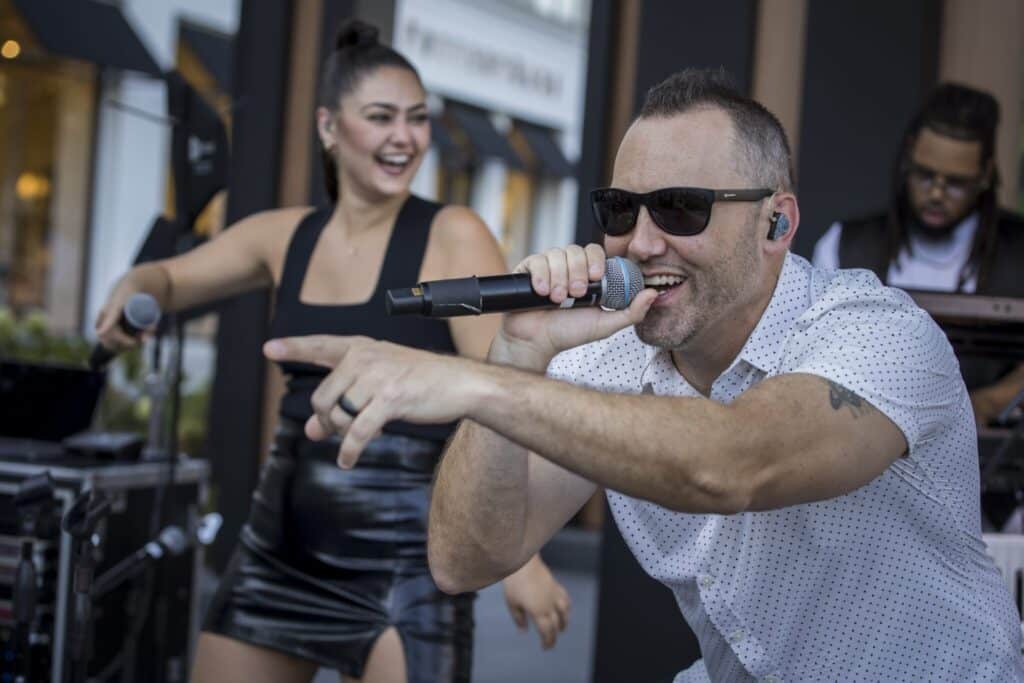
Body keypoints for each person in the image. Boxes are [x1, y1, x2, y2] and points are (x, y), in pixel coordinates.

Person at [266, 68, 1024, 681]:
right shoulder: (610, 354)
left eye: (682, 208)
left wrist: (477, 387)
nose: (642, 240)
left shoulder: (876, 329)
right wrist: (518, 349)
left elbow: (735, 462)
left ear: (778, 223)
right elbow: (466, 558)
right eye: (621, 209)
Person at [95, 20, 569, 683]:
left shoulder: (454, 235)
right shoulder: (283, 236)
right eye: (380, 117)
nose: (404, 137)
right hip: (278, 552)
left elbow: (502, 397)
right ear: (328, 126)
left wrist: (519, 557)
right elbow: (171, 278)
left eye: (417, 119)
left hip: (409, 562)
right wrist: (136, 285)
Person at [811, 83, 1024, 428]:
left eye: (956, 183)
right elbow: (818, 356)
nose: (937, 193)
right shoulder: (843, 245)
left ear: (985, 176)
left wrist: (984, 404)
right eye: (925, 176)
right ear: (908, 157)